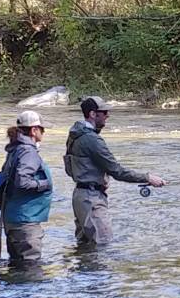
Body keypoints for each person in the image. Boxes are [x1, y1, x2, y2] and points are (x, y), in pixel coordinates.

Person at [65, 96, 165, 246]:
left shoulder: (75, 134)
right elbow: (117, 171)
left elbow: (70, 168)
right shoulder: (92, 140)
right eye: (104, 112)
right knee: (103, 247)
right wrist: (147, 178)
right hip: (92, 199)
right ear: (93, 114)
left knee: (84, 247)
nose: (107, 115)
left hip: (80, 197)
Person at [3, 110, 53, 266]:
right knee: (31, 270)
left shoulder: (15, 149)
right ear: (34, 130)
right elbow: (22, 182)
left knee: (17, 268)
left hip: (14, 218)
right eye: (42, 129)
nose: (43, 133)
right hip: (25, 222)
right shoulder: (28, 152)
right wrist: (45, 184)